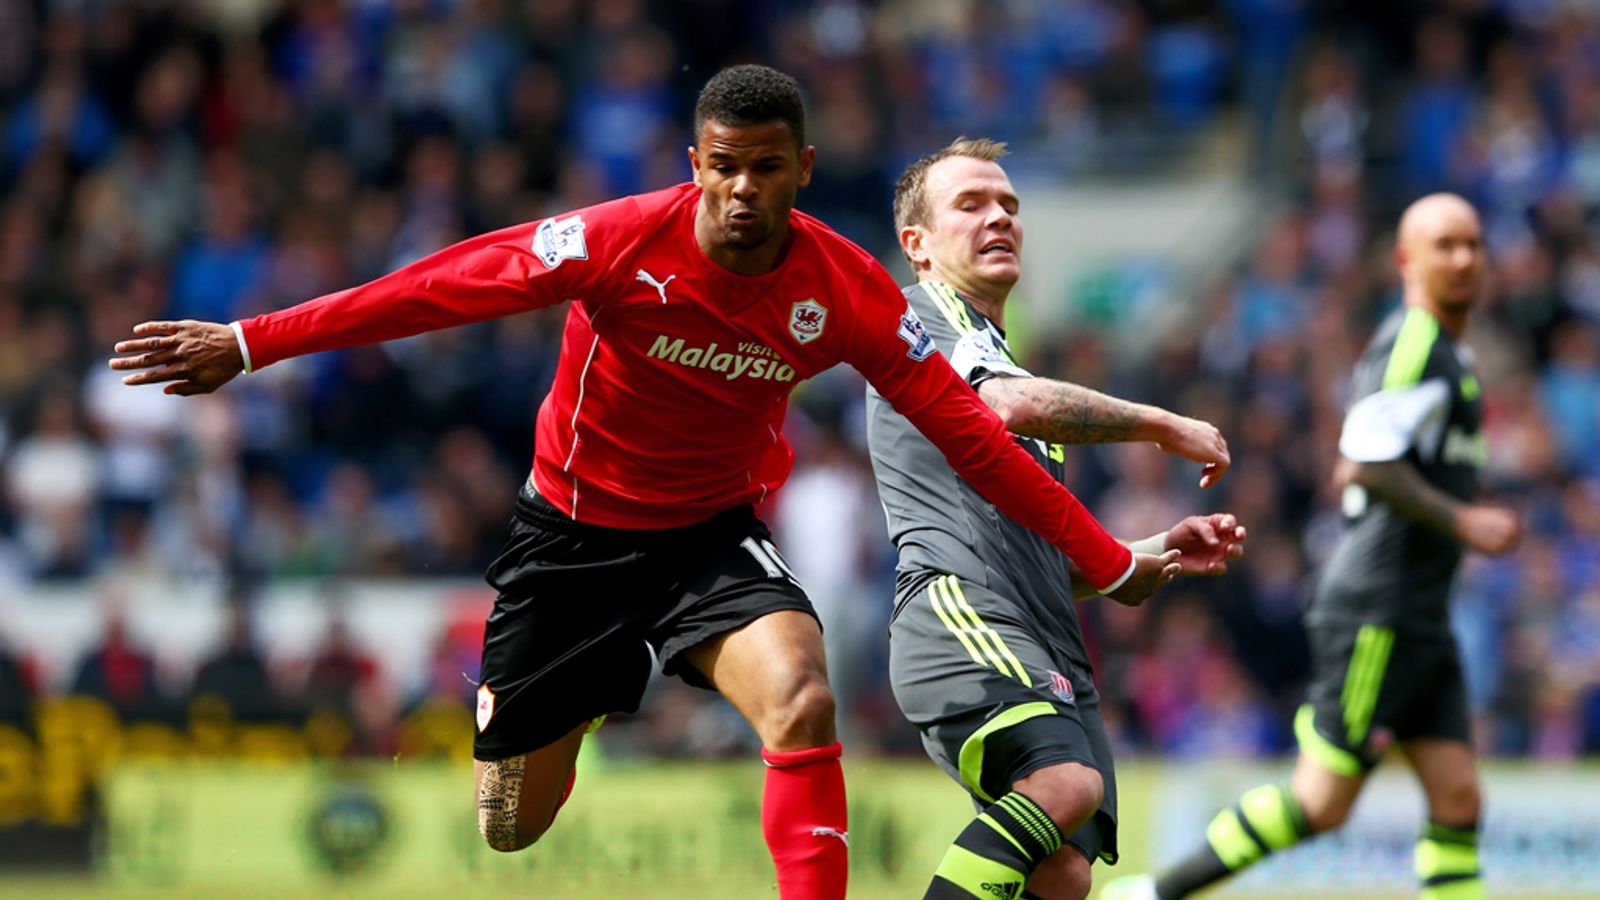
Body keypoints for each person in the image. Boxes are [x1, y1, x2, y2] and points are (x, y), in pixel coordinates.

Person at [109, 65, 1180, 900]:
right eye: (724, 166)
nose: (743, 189)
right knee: (510, 823)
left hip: (707, 538)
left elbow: (974, 439)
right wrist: (251, 343)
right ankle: (563, 706)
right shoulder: (620, 240)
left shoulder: (844, 289)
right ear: (696, 161)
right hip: (570, 538)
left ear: (803, 168)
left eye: (767, 167)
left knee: (802, 697)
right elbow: (438, 288)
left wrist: (1104, 558)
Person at [1102, 193, 1522, 900]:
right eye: (1444, 244)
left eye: (1474, 244)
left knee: (1458, 799)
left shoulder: (1454, 355)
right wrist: (1464, 521)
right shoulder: (1413, 343)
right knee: (1321, 802)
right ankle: (1152, 894)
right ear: (1405, 261)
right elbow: (1358, 462)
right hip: (1376, 609)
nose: (1463, 258)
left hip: (1420, 616)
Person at [867, 137, 1247, 900]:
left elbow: (1049, 560)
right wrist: (1164, 423)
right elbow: (1011, 405)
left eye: (1008, 204)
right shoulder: (919, 314)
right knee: (1064, 782)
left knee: (1062, 877)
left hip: (1031, 626)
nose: (999, 217)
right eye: (970, 205)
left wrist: (1152, 554)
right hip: (959, 611)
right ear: (919, 245)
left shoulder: (998, 352)